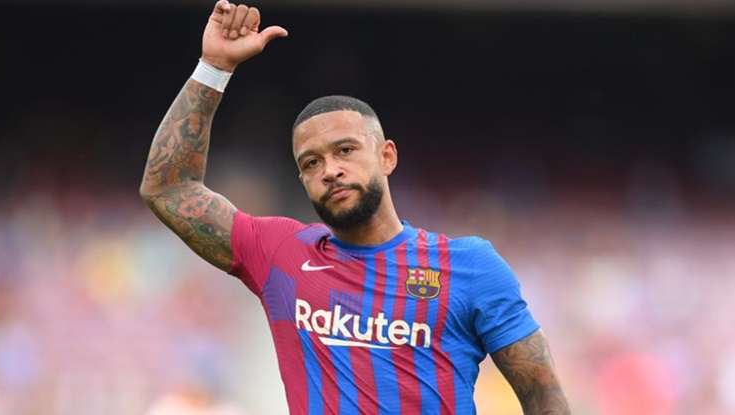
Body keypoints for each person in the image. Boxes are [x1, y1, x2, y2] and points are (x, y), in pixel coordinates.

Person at [140, 1, 573, 413]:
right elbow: (169, 190)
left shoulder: (470, 267)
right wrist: (213, 67)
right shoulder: (280, 254)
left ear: (387, 156)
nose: (330, 170)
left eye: (345, 150)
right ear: (302, 180)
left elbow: (544, 397)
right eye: (312, 163)